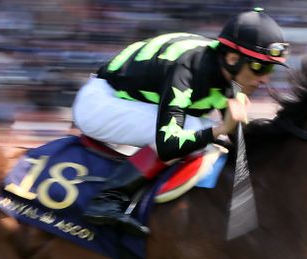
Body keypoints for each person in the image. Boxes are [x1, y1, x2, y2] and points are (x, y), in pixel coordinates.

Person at [72, 7, 289, 236]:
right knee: (197, 129)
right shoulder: (188, 70)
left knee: (207, 132)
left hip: (127, 101)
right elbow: (169, 144)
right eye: (259, 67)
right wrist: (221, 129)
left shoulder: (225, 69)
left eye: (270, 68)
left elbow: (241, 138)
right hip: (99, 105)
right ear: (233, 58)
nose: (265, 79)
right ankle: (108, 199)